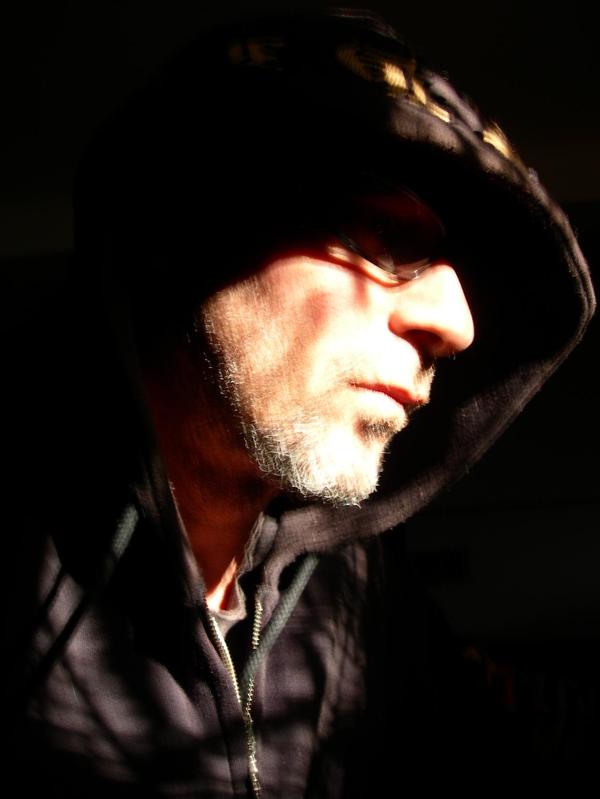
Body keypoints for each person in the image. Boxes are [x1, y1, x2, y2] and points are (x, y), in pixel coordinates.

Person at [2, 9, 594, 797]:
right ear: (178, 220)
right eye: (380, 233)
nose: (457, 324)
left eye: (469, 283)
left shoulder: (354, 590)